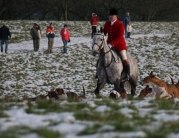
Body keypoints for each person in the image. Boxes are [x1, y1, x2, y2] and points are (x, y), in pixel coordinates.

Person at [103, 8, 130, 81]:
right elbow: (104, 32)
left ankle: (127, 75)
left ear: (116, 16)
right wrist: (100, 32)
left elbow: (120, 37)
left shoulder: (120, 25)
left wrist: (111, 44)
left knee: (124, 58)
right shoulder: (107, 23)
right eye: (110, 15)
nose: (110, 17)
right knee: (101, 57)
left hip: (120, 45)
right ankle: (99, 73)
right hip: (108, 45)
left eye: (112, 15)